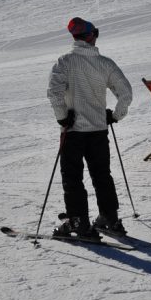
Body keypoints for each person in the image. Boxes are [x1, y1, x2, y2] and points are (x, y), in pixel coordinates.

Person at [47, 17, 132, 239]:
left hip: (73, 132)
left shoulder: (64, 62)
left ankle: (79, 223)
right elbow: (126, 93)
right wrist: (115, 116)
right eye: (96, 32)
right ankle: (110, 219)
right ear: (91, 36)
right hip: (98, 131)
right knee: (102, 175)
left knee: (72, 178)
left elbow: (54, 93)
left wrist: (62, 118)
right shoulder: (105, 63)